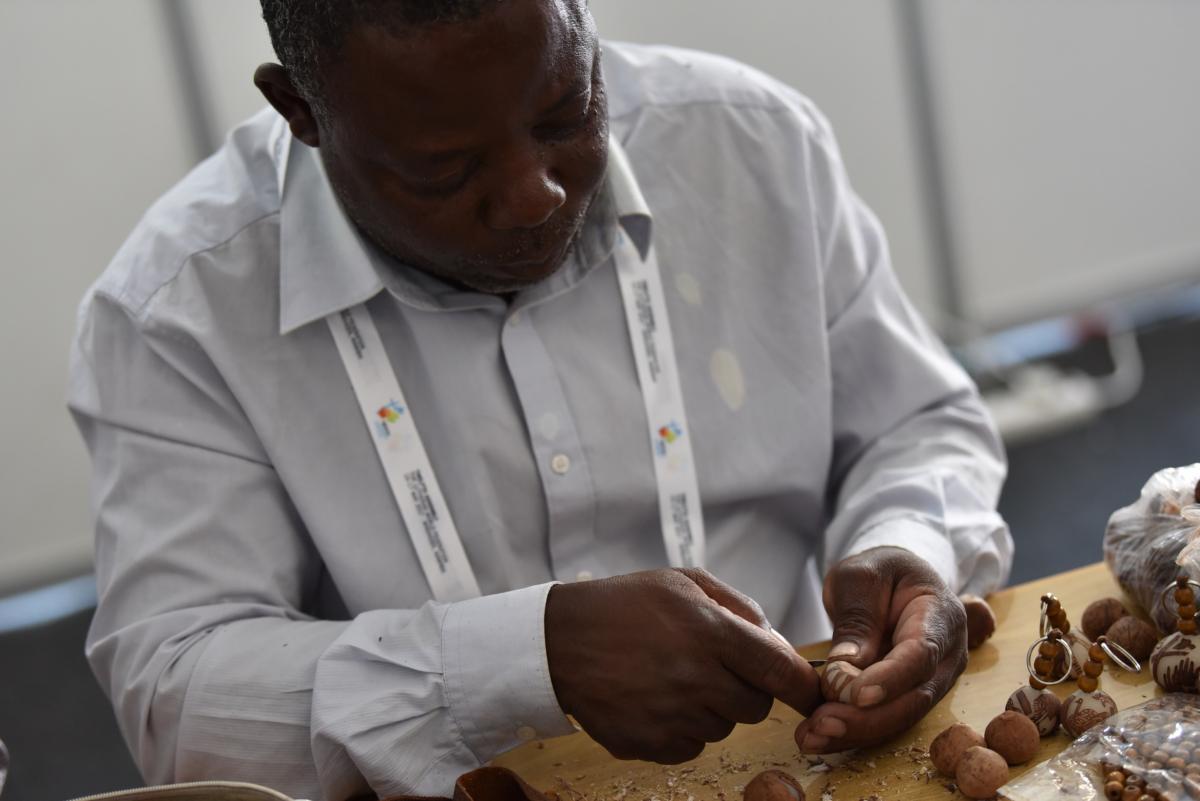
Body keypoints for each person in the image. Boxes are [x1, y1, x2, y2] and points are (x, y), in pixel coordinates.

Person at [67, 1, 1013, 799]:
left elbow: (916, 424)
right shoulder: (176, 312)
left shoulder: (751, 144)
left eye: (567, 113)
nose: (533, 193)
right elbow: (178, 694)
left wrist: (912, 543)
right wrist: (526, 660)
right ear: (300, 110)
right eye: (445, 168)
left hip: (805, 764)